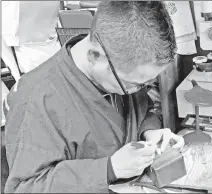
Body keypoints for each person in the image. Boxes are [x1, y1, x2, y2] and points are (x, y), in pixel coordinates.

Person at [3, 1, 183, 193]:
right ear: (95, 56)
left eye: (146, 84)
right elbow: (24, 188)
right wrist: (108, 170)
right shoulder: (36, 101)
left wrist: (150, 131)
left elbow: (142, 110)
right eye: (134, 84)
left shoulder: (121, 69)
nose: (138, 90)